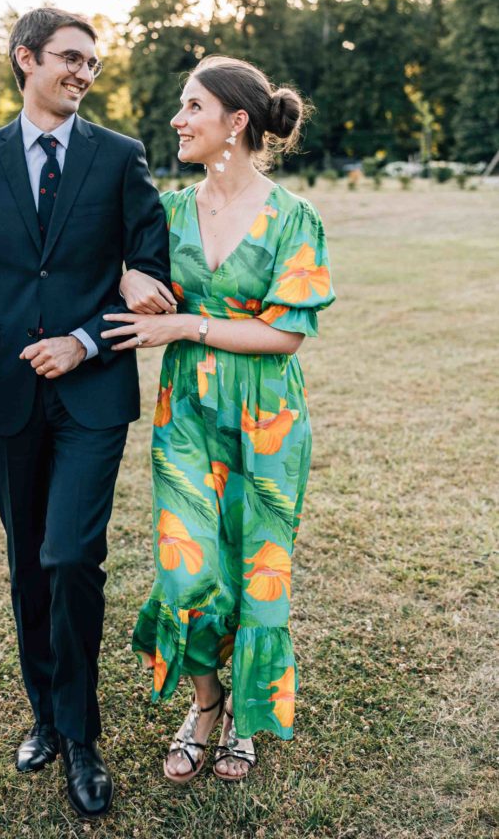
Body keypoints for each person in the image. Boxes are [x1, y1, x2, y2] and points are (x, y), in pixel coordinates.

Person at [0, 7, 172, 819]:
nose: (83, 73)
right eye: (69, 59)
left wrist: (86, 340)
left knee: (70, 557)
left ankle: (81, 736)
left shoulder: (120, 158)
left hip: (92, 394)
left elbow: (149, 269)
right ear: (26, 60)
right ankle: (44, 716)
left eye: (92, 63)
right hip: (7, 398)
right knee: (26, 567)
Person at [103, 55, 335, 783]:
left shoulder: (294, 218)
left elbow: (286, 333)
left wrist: (186, 328)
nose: (178, 119)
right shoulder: (165, 211)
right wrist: (131, 276)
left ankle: (244, 716)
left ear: (235, 122)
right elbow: (121, 267)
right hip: (188, 417)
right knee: (187, 569)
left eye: (192, 106)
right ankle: (203, 705)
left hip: (267, 421)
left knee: (255, 572)